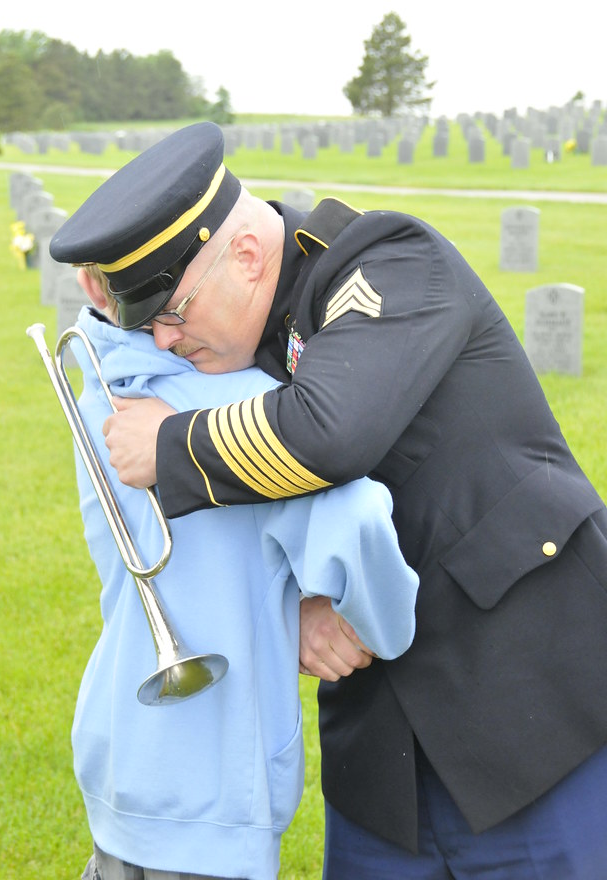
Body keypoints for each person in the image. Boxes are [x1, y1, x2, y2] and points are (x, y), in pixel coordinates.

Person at [50, 121, 607, 879]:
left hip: (528, 706)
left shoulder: (389, 263)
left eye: (172, 314)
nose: (165, 344)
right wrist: (307, 598)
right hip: (382, 747)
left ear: (246, 255)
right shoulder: (237, 343)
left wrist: (171, 444)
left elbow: (330, 433)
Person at [58, 252, 418, 880]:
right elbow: (356, 519)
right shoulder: (255, 404)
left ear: (93, 285)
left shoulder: (97, 382)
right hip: (217, 782)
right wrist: (365, 620)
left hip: (116, 746)